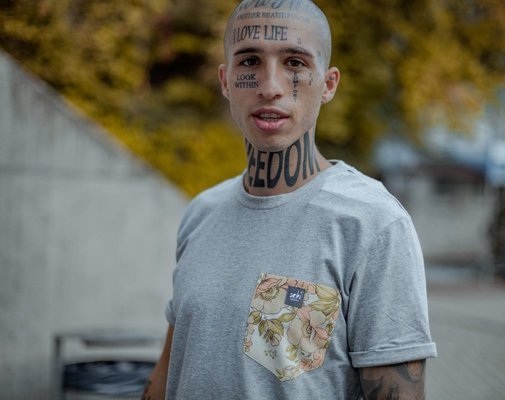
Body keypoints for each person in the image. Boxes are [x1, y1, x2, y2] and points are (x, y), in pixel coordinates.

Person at [143, 1, 437, 399]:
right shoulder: (201, 213)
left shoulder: (373, 223)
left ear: (328, 84)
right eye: (249, 61)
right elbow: (167, 374)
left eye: (295, 63)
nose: (270, 86)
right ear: (226, 80)